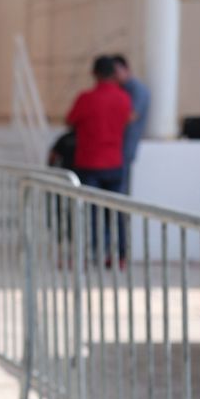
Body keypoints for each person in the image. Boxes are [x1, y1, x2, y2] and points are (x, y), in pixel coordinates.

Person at [66, 55, 133, 262]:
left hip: (89, 162)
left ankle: (93, 253)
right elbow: (126, 120)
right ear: (114, 74)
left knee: (91, 212)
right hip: (114, 162)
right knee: (116, 210)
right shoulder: (124, 98)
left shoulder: (86, 98)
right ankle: (120, 254)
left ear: (94, 73)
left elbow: (70, 120)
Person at [110, 54, 150, 195]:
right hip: (115, 147)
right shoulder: (119, 89)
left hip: (127, 145)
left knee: (122, 187)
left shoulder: (138, 90)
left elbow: (132, 116)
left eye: (116, 72)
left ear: (126, 69)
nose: (114, 76)